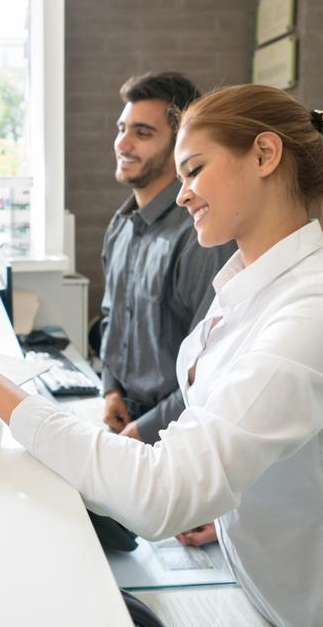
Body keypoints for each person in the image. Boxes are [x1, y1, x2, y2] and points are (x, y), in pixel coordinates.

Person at [0, 84, 323, 626]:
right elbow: (241, 441)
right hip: (276, 600)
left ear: (265, 155)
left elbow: (162, 490)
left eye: (194, 170)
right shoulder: (244, 289)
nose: (182, 195)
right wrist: (228, 515)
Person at [101, 71, 236, 444]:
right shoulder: (121, 224)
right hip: (123, 419)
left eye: (142, 133)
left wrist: (145, 430)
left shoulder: (202, 236)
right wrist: (110, 388)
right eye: (121, 128)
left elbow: (208, 363)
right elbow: (112, 316)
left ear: (181, 145)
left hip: (176, 432)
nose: (123, 143)